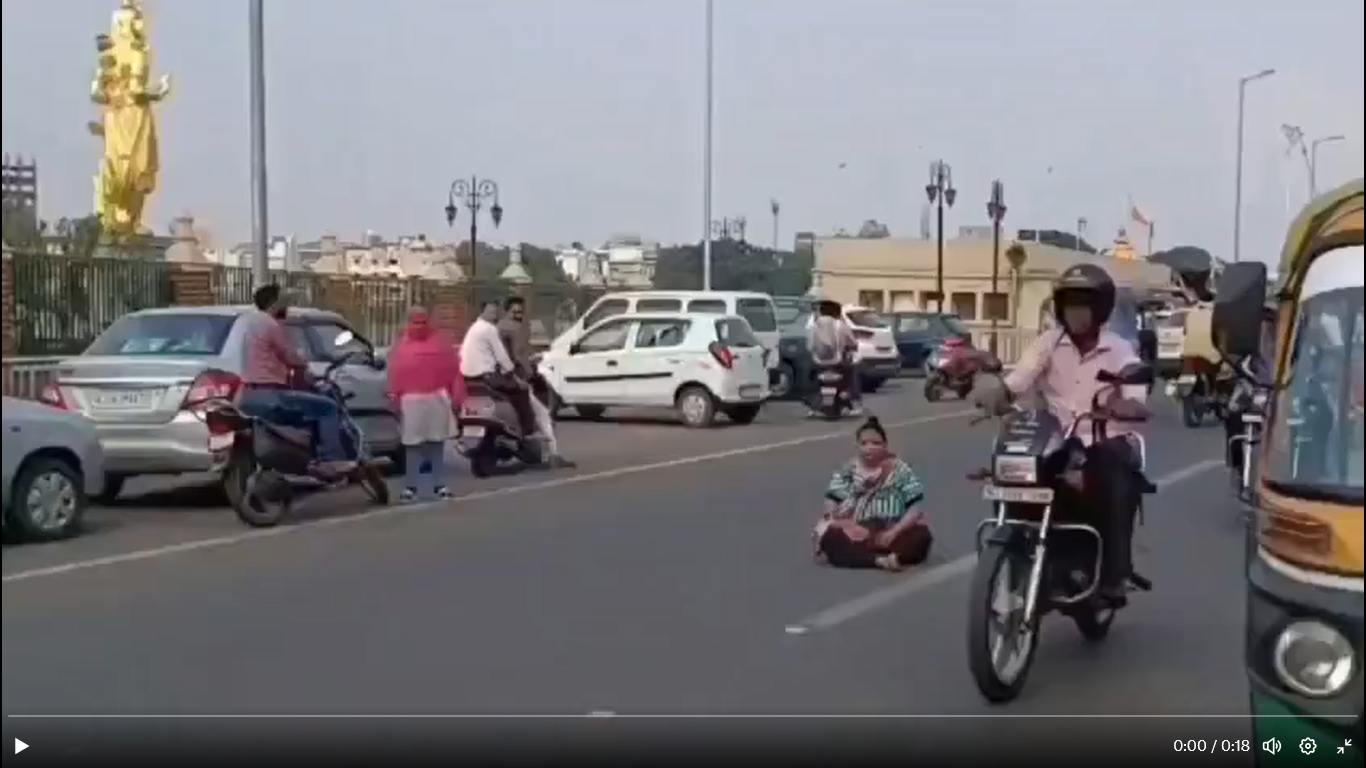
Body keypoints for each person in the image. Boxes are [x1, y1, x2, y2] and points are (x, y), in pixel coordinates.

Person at [970, 263, 1151, 601]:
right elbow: (1020, 379)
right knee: (1009, 471)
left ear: (1100, 310)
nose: (1076, 313)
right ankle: (1015, 556)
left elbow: (1135, 389)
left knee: (1113, 472)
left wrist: (1128, 405)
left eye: (1084, 304)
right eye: (1070, 304)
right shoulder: (1048, 344)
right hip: (1053, 439)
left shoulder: (1119, 348)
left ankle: (1114, 572)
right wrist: (998, 393)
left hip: (1103, 438)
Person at [236, 284, 354, 474]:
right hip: (272, 393)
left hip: (249, 394)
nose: (287, 305)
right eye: (283, 300)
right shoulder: (271, 324)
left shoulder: (251, 324)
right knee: (327, 408)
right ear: (274, 302)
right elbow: (290, 356)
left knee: (306, 413)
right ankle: (330, 459)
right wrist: (305, 368)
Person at [812, 416, 933, 570]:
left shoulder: (900, 469)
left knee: (922, 536)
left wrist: (895, 531)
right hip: (859, 532)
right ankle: (878, 561)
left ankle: (896, 557)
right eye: (864, 443)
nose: (869, 447)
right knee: (831, 539)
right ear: (857, 446)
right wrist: (834, 518)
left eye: (876, 443)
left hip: (892, 529)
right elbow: (831, 500)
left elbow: (914, 507)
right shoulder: (847, 470)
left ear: (885, 445)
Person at [387, 306, 465, 501]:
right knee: (412, 445)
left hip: (436, 397)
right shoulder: (400, 347)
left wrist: (457, 396)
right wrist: (393, 399)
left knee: (436, 443)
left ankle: (439, 484)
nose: (419, 325)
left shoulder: (440, 344)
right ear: (408, 322)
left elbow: (454, 372)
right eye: (415, 321)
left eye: (423, 321)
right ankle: (411, 487)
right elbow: (394, 375)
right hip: (411, 399)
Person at [498, 296, 575, 469]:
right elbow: (518, 355)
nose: (518, 314)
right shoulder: (513, 328)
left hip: (504, 378)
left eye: (520, 311)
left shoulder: (500, 328)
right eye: (515, 311)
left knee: (529, 415)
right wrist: (530, 370)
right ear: (507, 311)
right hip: (518, 379)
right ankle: (553, 455)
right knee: (542, 415)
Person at [459, 299, 538, 439]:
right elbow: (502, 357)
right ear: (482, 312)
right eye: (490, 311)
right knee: (522, 390)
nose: (493, 314)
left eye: (495, 311)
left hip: (468, 377)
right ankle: (526, 431)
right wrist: (515, 377)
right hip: (486, 377)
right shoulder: (489, 328)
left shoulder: (474, 328)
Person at [806, 299, 863, 415]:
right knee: (851, 375)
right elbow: (853, 343)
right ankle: (853, 403)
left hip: (818, 362)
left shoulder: (813, 326)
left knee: (810, 378)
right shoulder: (841, 325)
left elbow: (809, 346)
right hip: (838, 362)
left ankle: (812, 406)